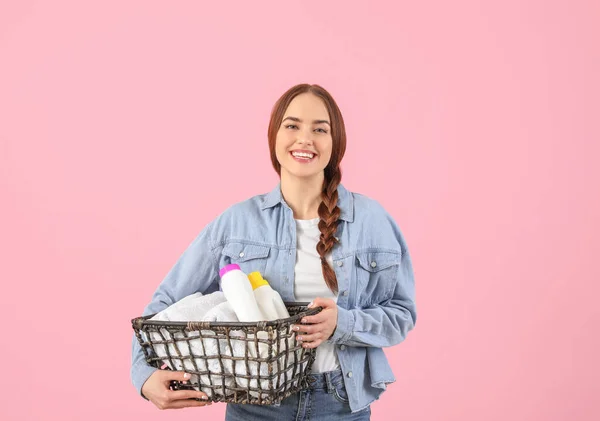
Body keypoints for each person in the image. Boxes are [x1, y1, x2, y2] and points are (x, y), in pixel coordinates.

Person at [130, 83, 417, 420]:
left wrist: (344, 323)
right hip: (255, 406)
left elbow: (401, 314)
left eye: (320, 129)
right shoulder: (237, 222)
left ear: (335, 142)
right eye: (292, 125)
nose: (305, 139)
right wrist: (143, 374)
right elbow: (165, 304)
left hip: (340, 403)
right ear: (274, 137)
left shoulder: (372, 220)